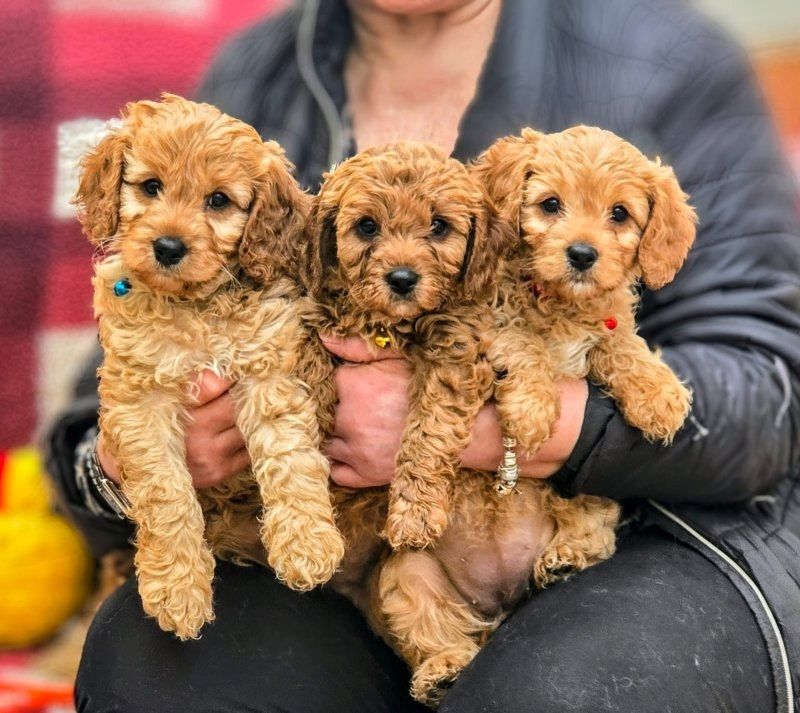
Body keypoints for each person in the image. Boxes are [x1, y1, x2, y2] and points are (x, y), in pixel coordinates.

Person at [46, 0, 800, 711]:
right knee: (153, 668)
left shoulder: (666, 58)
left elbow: (771, 397)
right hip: (349, 555)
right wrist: (142, 459)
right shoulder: (260, 66)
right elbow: (85, 431)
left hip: (642, 536)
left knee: (554, 693)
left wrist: (479, 436)